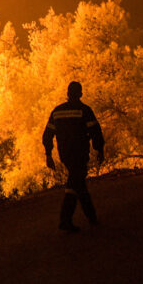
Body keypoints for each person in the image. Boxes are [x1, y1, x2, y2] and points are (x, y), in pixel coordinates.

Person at [43, 81, 105, 232]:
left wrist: (49, 155)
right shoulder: (84, 110)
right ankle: (67, 220)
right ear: (80, 94)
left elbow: (47, 135)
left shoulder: (57, 112)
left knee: (77, 182)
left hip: (65, 155)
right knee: (76, 183)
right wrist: (100, 150)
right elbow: (96, 132)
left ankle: (91, 217)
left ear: (67, 93)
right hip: (80, 153)